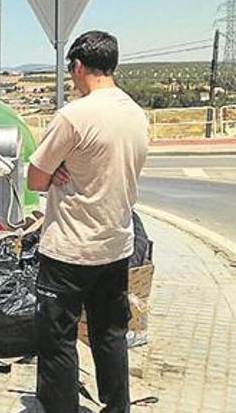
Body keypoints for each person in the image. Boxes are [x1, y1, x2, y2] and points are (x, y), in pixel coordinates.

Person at [27, 30, 149, 413]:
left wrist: (59, 167)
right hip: (115, 245)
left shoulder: (74, 116)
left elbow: (34, 178)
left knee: (58, 339)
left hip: (69, 249)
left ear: (78, 67)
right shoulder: (136, 113)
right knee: (110, 335)